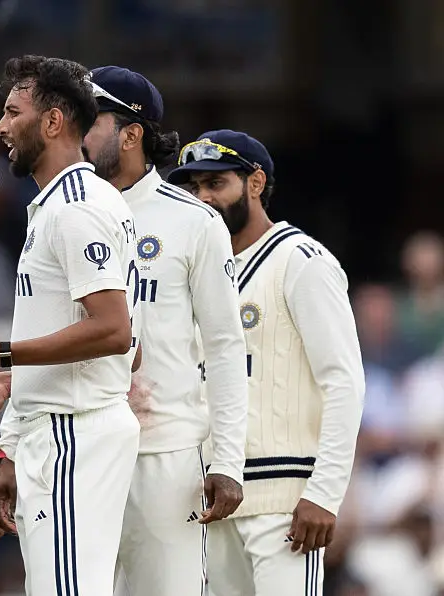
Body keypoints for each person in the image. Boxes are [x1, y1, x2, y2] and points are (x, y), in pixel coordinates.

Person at [0, 55, 141, 596]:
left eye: (13, 112)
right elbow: (90, 337)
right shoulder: (55, 207)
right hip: (56, 427)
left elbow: (115, 332)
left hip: (74, 430)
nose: (0, 127)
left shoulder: (77, 208)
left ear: (53, 121)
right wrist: (10, 437)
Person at [166, 129, 365, 595]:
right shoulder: (197, 271)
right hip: (214, 498)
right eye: (192, 188)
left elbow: (345, 383)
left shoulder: (301, 260)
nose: (202, 198)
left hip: (285, 502)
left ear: (255, 183)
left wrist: (323, 492)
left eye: (215, 184)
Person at [82, 67, 249, 595]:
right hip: (80, 447)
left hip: (167, 454)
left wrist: (227, 460)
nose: (74, 133)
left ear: (131, 134)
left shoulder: (193, 220)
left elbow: (225, 346)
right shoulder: (63, 212)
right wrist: (11, 447)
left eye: (90, 120)